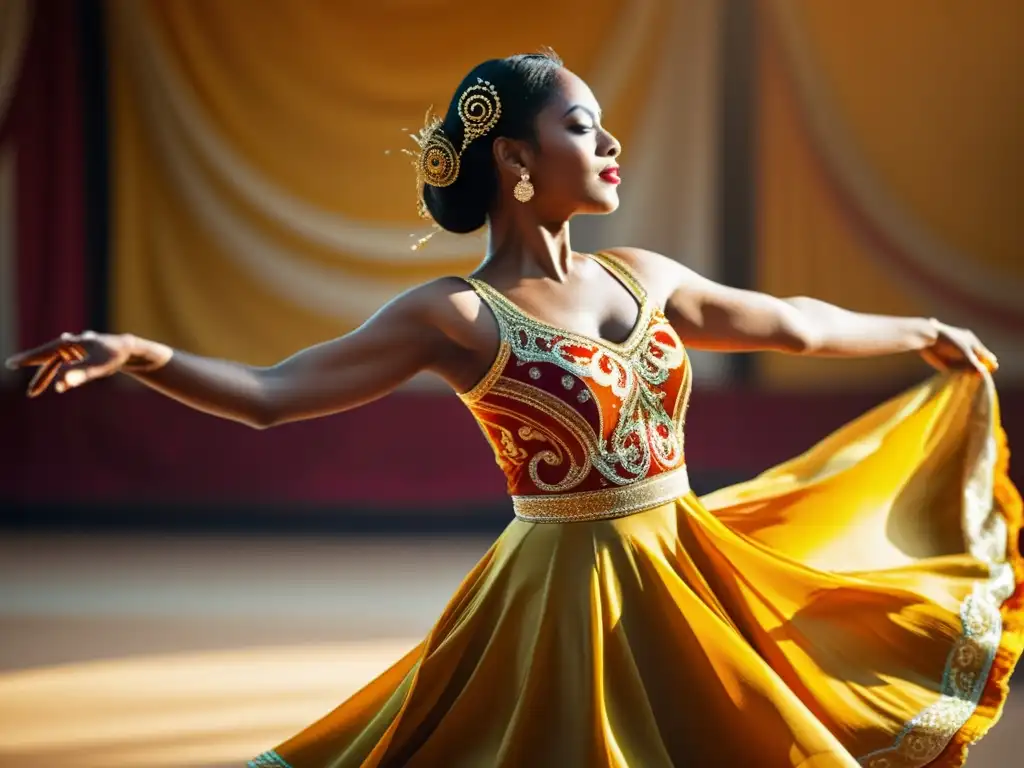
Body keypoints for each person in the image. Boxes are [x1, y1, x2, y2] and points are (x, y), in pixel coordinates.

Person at [6, 51, 1021, 768]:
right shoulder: (453, 315)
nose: (610, 139)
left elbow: (791, 325)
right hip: (560, 599)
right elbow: (276, 397)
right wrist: (138, 354)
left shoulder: (643, 274)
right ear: (516, 161)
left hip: (685, 563)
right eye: (581, 124)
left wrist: (916, 330)